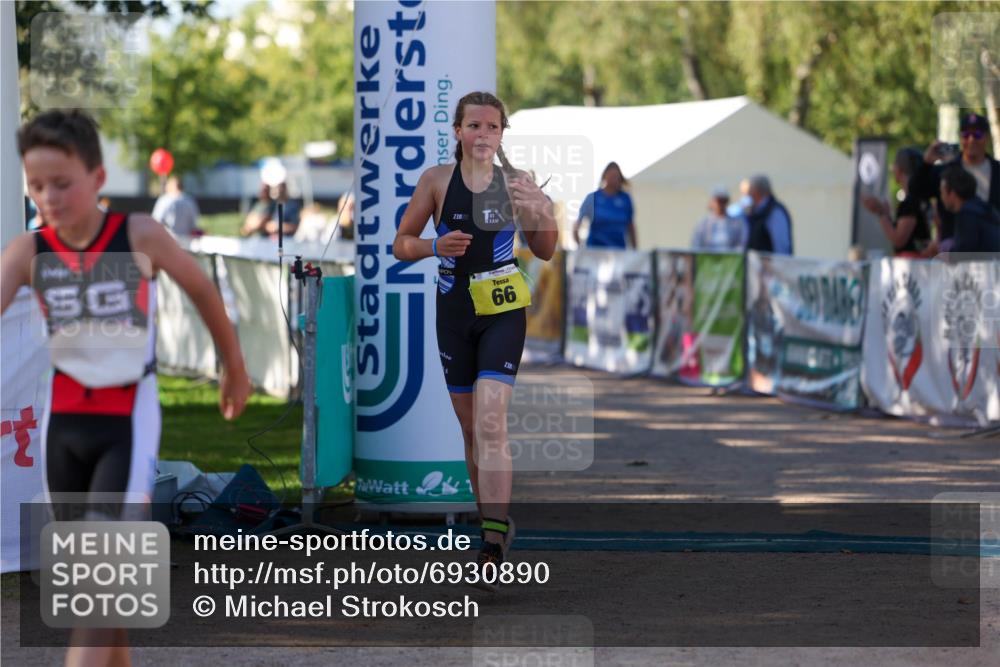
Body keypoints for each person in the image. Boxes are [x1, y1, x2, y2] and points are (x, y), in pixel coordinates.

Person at [1, 109, 252, 667]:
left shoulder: (138, 234)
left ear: (97, 178)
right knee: (99, 597)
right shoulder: (27, 253)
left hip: (127, 423)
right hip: (61, 426)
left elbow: (203, 293)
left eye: (62, 184)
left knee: (97, 592)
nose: (50, 198)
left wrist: (234, 366)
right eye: (36, 186)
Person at [392, 91, 557, 591]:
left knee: (491, 419)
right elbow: (400, 245)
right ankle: (495, 526)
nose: (484, 135)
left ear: (502, 134)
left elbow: (546, 251)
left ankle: (489, 542)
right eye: (475, 126)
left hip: (503, 310)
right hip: (454, 314)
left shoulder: (517, 184)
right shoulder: (437, 181)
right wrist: (433, 246)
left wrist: (544, 212)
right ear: (458, 131)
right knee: (471, 432)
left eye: (493, 128)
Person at [910, 113, 1000, 245]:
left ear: (986, 137)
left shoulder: (997, 170)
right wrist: (926, 164)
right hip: (956, 250)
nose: (971, 140)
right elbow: (915, 191)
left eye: (977, 135)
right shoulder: (946, 171)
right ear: (960, 138)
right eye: (966, 135)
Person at [861, 148, 931, 257]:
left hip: (912, 265)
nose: (892, 169)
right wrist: (886, 215)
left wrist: (881, 213)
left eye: (894, 165)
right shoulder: (921, 198)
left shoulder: (911, 201)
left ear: (900, 169)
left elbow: (899, 239)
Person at [936, 165, 1000, 254]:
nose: (941, 197)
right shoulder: (985, 210)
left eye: (941, 192)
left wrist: (943, 249)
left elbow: (962, 255)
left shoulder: (968, 215)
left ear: (952, 193)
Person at [573, 161, 636, 249]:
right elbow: (577, 224)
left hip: (618, 252)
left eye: (617, 177)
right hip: (595, 252)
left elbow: (631, 226)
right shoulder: (592, 198)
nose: (614, 180)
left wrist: (635, 250)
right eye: (612, 176)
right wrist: (580, 248)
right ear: (605, 176)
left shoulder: (625, 199)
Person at [740, 174, 794, 255]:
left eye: (749, 192)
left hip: (773, 265)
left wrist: (778, 266)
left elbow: (781, 246)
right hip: (755, 265)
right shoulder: (753, 212)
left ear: (756, 191)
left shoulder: (775, 212)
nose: (747, 195)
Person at [690, 185, 746, 251]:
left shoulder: (737, 224)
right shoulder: (703, 224)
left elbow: (740, 246)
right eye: (719, 201)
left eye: (724, 201)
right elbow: (696, 245)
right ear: (712, 201)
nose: (721, 204)